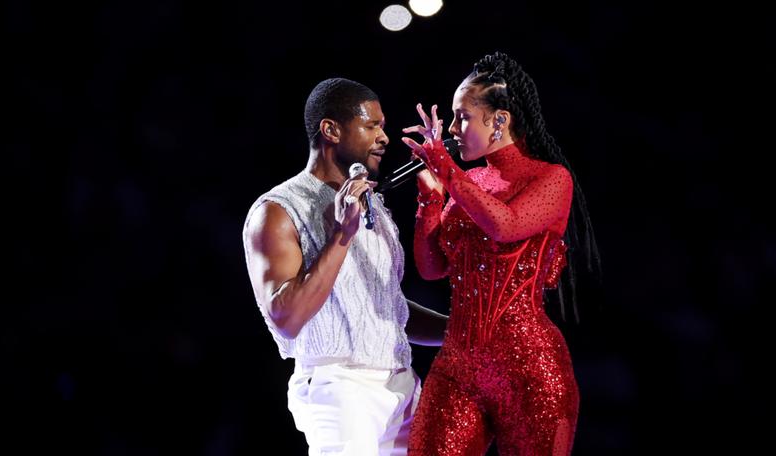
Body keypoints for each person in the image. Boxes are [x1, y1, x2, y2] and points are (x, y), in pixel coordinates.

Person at [400, 52, 600, 455]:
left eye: (462, 117)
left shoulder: (551, 179)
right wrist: (429, 199)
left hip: (529, 369)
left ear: (499, 120)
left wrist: (445, 168)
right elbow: (432, 267)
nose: (453, 130)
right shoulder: (469, 181)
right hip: (457, 366)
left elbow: (505, 226)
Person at [242, 77, 446, 456]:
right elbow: (287, 317)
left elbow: (389, 308)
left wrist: (462, 331)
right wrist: (341, 235)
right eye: (372, 126)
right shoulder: (276, 210)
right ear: (331, 130)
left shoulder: (374, 205)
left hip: (402, 385)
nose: (384, 137)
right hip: (340, 390)